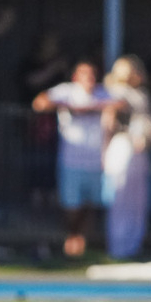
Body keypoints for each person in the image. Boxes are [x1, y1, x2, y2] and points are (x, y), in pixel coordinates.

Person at [33, 59, 112, 258]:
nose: (90, 79)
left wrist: (94, 107)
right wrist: (66, 105)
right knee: (71, 204)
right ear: (76, 77)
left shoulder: (103, 93)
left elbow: (121, 103)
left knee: (91, 202)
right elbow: (39, 103)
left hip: (96, 159)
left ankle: (83, 241)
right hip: (71, 159)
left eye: (92, 75)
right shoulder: (66, 91)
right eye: (85, 75)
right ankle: (72, 236)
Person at [102, 56, 151, 260]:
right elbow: (109, 122)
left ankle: (134, 244)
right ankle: (118, 245)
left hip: (140, 149)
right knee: (121, 196)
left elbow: (150, 122)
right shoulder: (114, 93)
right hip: (123, 145)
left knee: (138, 198)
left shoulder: (141, 94)